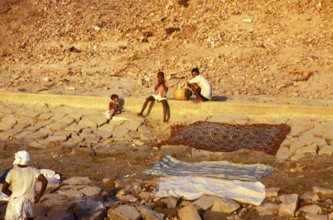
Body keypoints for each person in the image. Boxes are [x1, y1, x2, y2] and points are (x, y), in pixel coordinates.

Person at [2, 150, 48, 220]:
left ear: (19, 159)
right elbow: (44, 181)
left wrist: (15, 194)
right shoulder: (34, 170)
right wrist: (39, 195)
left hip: (15, 202)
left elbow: (4, 189)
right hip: (28, 202)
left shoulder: (12, 172)